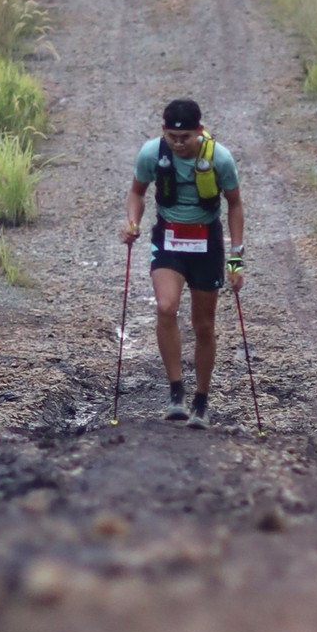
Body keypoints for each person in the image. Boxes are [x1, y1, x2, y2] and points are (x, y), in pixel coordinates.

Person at [123, 97, 242, 424]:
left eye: (185, 137)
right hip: (169, 239)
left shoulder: (220, 158)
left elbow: (235, 205)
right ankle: (176, 392)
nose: (178, 144)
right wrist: (132, 223)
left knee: (203, 325)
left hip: (207, 243)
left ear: (200, 131)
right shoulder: (151, 153)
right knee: (166, 307)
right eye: (172, 137)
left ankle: (201, 401)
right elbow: (137, 192)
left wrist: (236, 261)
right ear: (163, 131)